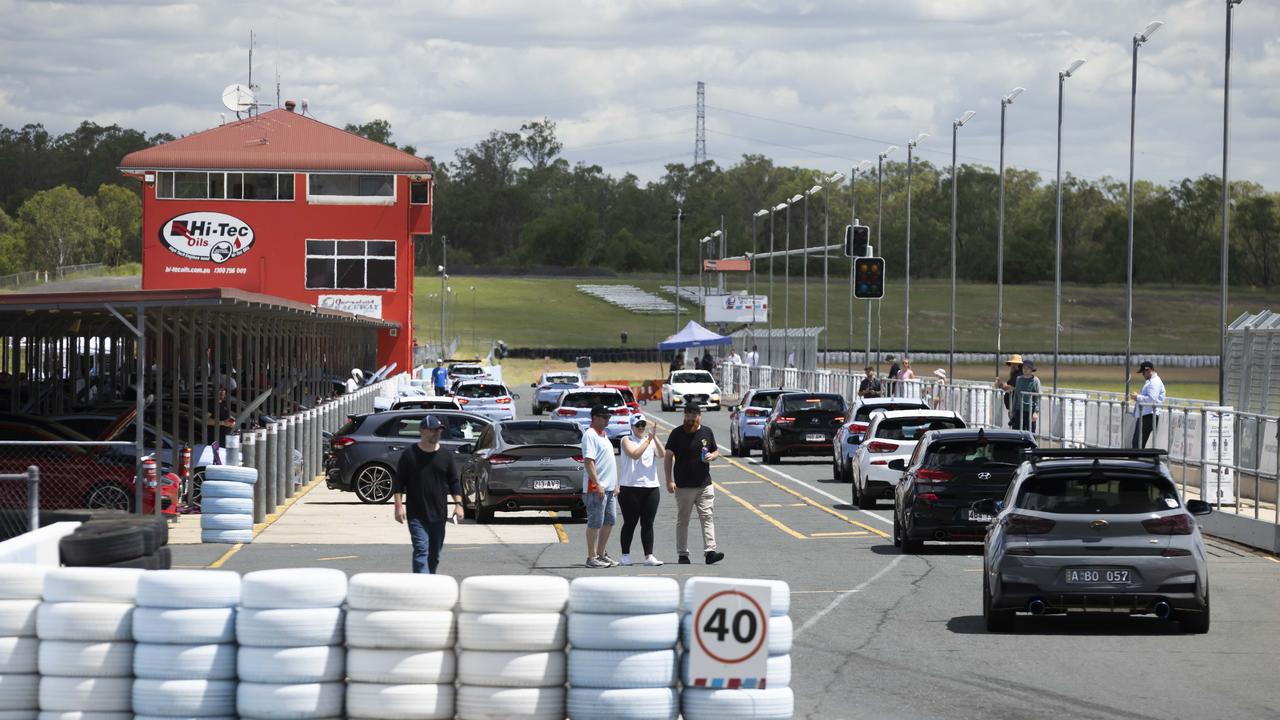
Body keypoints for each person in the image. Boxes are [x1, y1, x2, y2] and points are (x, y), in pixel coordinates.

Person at [392, 415, 464, 574]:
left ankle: (429, 585)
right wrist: (398, 507)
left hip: (439, 514)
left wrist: (458, 505)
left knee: (434, 555)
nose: (436, 433)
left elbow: (454, 482)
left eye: (438, 430)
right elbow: (399, 483)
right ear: (422, 431)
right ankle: (422, 588)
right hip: (416, 515)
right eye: (432, 430)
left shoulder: (446, 455)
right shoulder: (410, 454)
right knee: (421, 551)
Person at [664, 401, 724, 565]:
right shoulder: (676, 434)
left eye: (693, 415)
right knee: (683, 520)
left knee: (707, 517)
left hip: (704, 484)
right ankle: (683, 553)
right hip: (684, 486)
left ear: (699, 416)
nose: (690, 418)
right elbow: (668, 456)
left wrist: (714, 455)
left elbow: (715, 450)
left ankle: (710, 552)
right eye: (688, 415)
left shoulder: (706, 432)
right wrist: (669, 480)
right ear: (684, 416)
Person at [618, 413, 666, 566]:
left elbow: (662, 454)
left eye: (643, 425)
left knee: (648, 523)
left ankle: (649, 556)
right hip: (630, 488)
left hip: (651, 487)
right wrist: (648, 440)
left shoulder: (649, 440)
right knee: (630, 522)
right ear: (632, 427)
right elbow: (634, 454)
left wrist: (654, 437)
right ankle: (625, 555)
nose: (641, 428)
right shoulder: (627, 440)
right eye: (638, 425)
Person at [581, 404, 620, 568]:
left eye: (609, 417)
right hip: (596, 488)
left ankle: (601, 553)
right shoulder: (590, 435)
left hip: (610, 488)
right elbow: (589, 461)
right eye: (605, 417)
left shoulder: (603, 435)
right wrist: (598, 484)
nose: (607, 420)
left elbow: (609, 462)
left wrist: (616, 484)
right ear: (595, 417)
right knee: (595, 522)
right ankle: (591, 557)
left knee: (610, 520)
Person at [1131, 360, 1166, 448]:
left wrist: (1138, 397)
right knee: (1137, 442)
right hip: (1146, 415)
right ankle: (1135, 459)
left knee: (1138, 443)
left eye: (1143, 372)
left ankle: (1134, 460)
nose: (1143, 375)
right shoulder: (1151, 381)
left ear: (1149, 370)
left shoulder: (1154, 382)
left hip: (1149, 416)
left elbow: (1152, 400)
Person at [205, 386, 235, 462]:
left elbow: (227, 417)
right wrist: (222, 423)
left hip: (225, 438)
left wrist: (232, 421)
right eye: (220, 391)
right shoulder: (211, 404)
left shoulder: (224, 403)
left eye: (223, 391)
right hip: (215, 438)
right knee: (215, 459)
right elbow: (206, 420)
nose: (222, 393)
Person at [994, 354, 1024, 425]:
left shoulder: (1018, 375)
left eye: (1014, 364)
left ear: (1018, 365)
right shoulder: (1015, 375)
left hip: (1016, 406)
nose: (1011, 366)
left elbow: (1011, 387)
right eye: (1011, 364)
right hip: (1013, 406)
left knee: (1016, 425)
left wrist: (1000, 385)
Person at [1012, 361, 1041, 433]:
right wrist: (1013, 411)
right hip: (1019, 410)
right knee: (1016, 433)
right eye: (1024, 367)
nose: (1025, 369)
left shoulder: (1035, 381)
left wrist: (1036, 412)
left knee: (1030, 434)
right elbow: (1016, 395)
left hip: (1030, 411)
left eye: (1028, 368)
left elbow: (1038, 397)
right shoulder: (1018, 379)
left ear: (1031, 370)